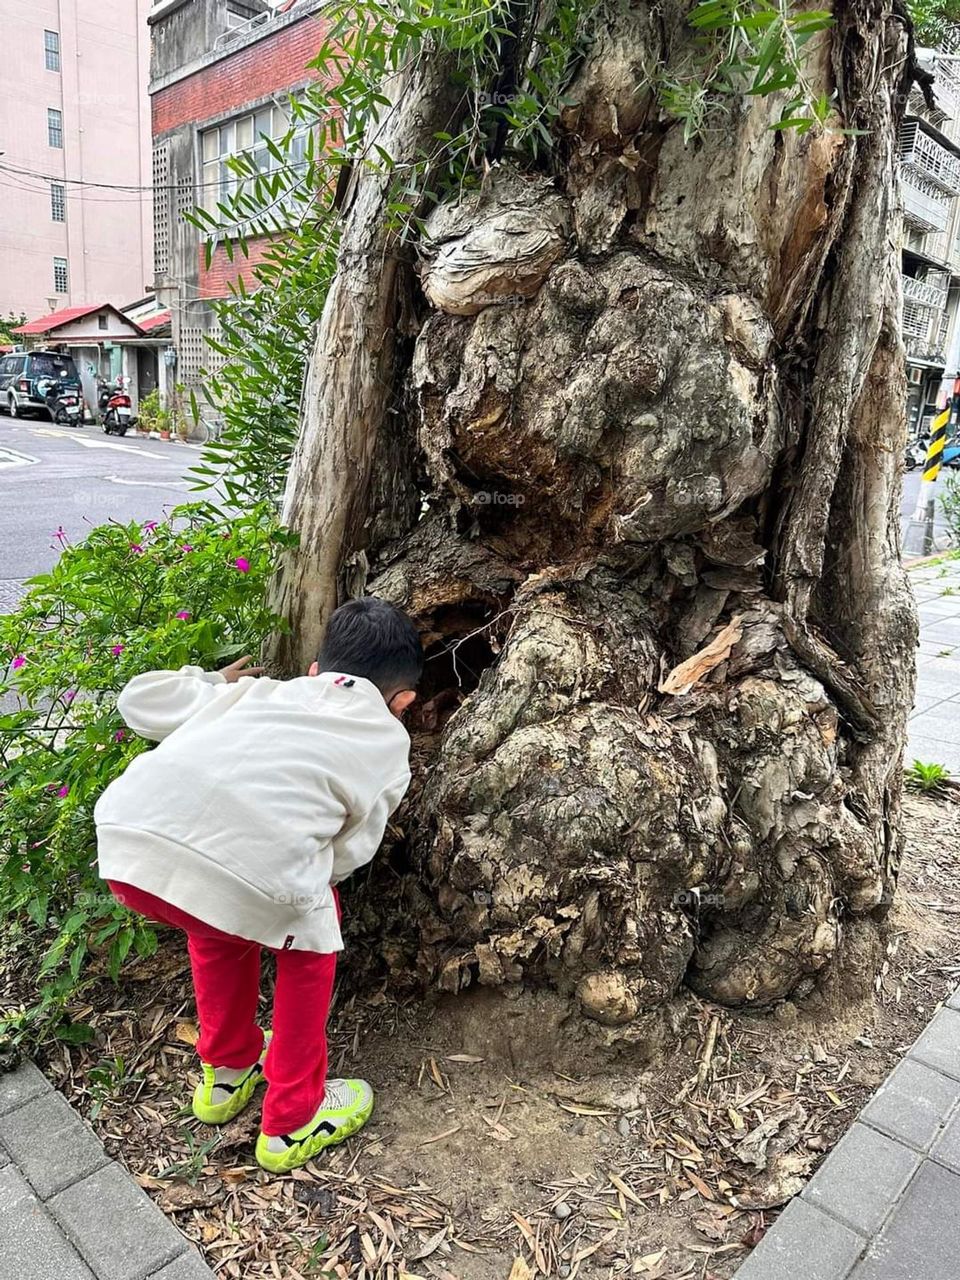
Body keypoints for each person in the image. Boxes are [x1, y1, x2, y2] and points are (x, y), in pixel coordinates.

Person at [95, 597, 421, 1172]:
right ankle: (293, 1119)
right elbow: (353, 849)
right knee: (314, 929)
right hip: (236, 873)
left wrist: (211, 681)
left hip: (128, 846)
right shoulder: (389, 742)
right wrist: (297, 888)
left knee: (218, 909)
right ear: (403, 702)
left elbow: (138, 701)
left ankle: (227, 1072)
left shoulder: (262, 691)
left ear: (316, 670)